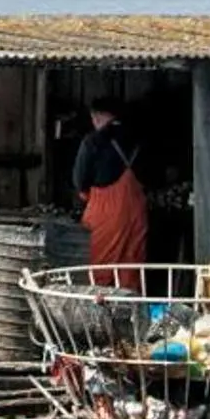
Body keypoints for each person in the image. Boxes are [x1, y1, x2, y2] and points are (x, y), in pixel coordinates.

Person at [72, 100, 149, 288]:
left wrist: (84, 198)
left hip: (105, 210)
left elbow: (80, 180)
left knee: (98, 267)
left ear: (98, 117)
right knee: (131, 267)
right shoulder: (140, 138)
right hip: (138, 208)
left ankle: (96, 314)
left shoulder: (93, 141)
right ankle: (130, 312)